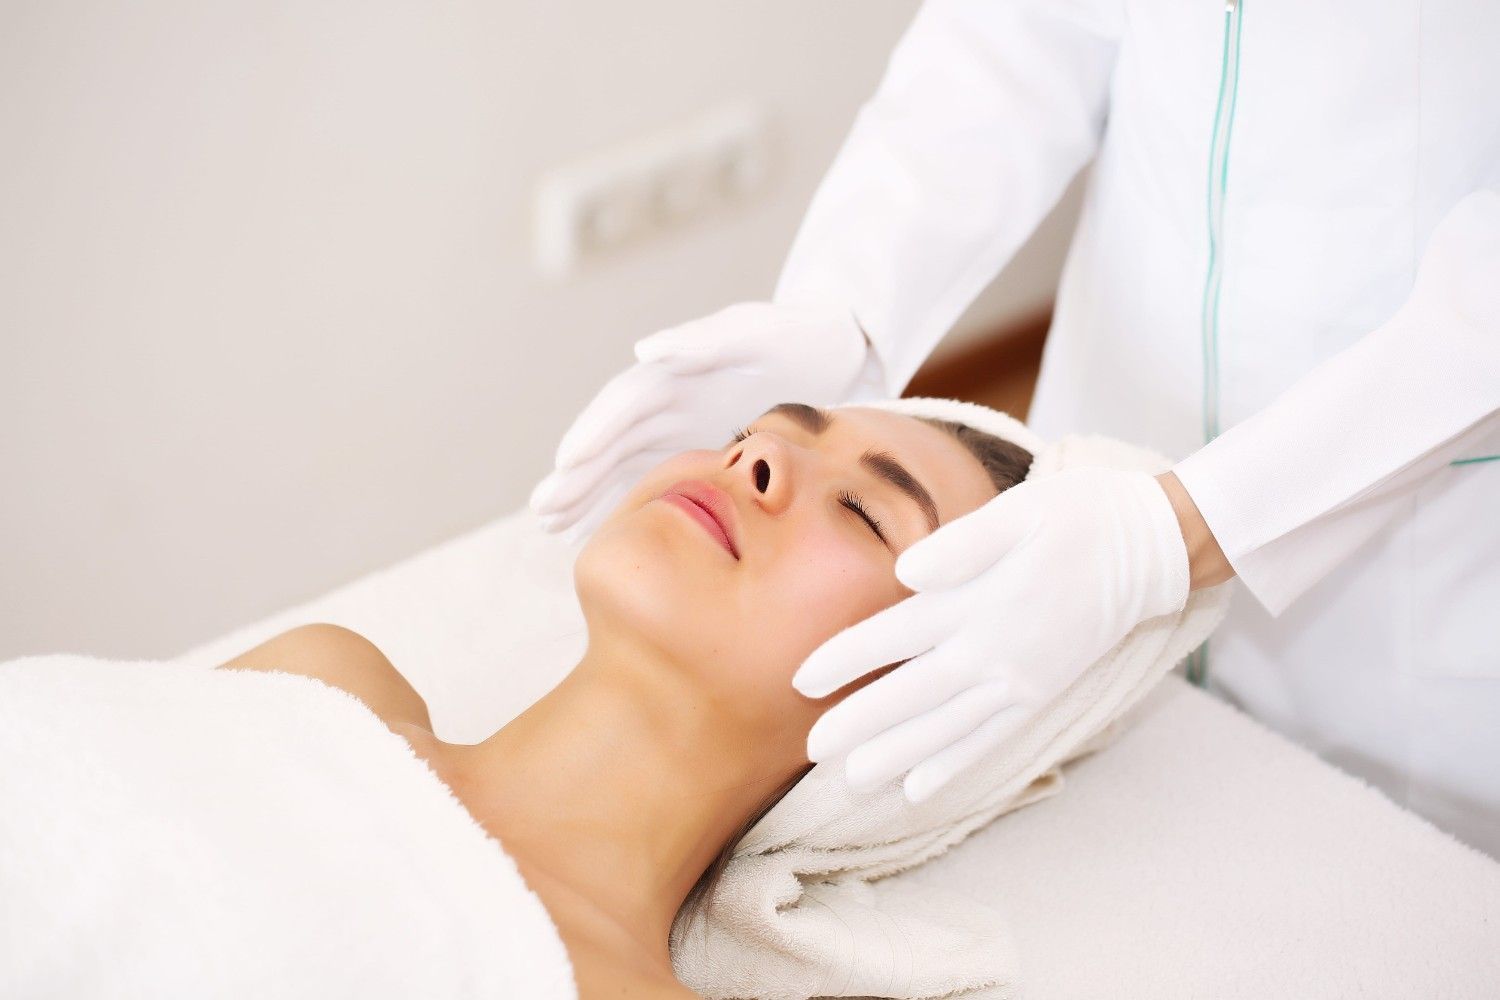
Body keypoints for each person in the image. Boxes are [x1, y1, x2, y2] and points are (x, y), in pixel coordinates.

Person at [530, 0, 1500, 854]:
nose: (760, 458)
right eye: (770, 429)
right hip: (1111, 431)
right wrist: (848, 307)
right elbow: (1018, 34)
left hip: (1416, 568)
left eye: (871, 512)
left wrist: (1176, 534)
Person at [221, 402, 1040, 998]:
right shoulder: (319, 683)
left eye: (865, 512)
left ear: (918, 703)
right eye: (750, 433)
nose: (757, 460)